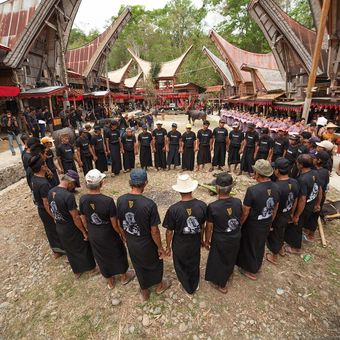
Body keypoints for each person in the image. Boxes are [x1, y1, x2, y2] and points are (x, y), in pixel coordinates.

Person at [117, 169, 170, 301]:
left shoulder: (121, 200)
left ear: (130, 183)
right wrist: (160, 247)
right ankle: (159, 285)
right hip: (146, 242)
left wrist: (124, 236)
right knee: (156, 263)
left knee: (138, 264)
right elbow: (154, 231)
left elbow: (120, 222)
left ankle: (144, 290)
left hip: (131, 241)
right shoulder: (149, 204)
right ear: (145, 183)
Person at [79, 169, 135, 289]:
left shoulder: (82, 199)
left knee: (100, 256)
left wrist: (87, 230)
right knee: (117, 252)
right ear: (101, 183)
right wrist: (121, 234)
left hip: (94, 231)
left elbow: (83, 218)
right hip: (108, 232)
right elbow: (114, 224)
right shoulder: (107, 201)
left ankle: (110, 281)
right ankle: (124, 276)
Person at [48, 170, 97, 278]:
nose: (73, 187)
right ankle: (91, 269)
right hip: (70, 226)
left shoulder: (51, 191)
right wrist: (84, 231)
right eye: (74, 184)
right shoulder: (67, 196)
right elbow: (75, 216)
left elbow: (50, 207)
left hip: (60, 225)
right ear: (70, 182)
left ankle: (77, 271)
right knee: (82, 245)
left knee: (69, 249)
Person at [163, 174, 207, 294]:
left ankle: (186, 285)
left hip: (180, 243)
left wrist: (168, 246)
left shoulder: (173, 209)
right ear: (192, 188)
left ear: (179, 191)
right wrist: (202, 239)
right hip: (195, 242)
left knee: (180, 264)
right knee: (194, 262)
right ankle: (194, 284)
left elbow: (169, 231)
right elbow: (202, 226)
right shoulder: (202, 205)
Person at [237, 159, 279, 280]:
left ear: (258, 173)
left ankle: (251, 270)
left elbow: (245, 212)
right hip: (266, 222)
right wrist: (271, 220)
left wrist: (240, 224)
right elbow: (276, 207)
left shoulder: (253, 191)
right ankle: (256, 265)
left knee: (249, 245)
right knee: (259, 245)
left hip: (253, 224)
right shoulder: (276, 187)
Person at [204, 173, 242, 293]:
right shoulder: (237, 202)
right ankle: (228, 273)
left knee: (218, 259)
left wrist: (206, 240)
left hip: (220, 238)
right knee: (231, 256)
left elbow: (209, 227)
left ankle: (221, 284)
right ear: (231, 188)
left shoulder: (213, 207)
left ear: (217, 188)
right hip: (235, 235)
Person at [285, 154, 321, 254]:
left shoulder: (302, 179)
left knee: (297, 225)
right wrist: (317, 203)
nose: (296, 164)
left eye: (297, 162)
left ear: (301, 165)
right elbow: (319, 189)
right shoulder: (315, 173)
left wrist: (296, 215)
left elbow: (302, 199)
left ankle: (296, 248)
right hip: (311, 204)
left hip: (304, 207)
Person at [30, 155, 65, 258]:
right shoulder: (43, 184)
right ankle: (60, 250)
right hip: (46, 210)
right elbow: (46, 203)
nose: (46, 165)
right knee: (54, 229)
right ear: (42, 167)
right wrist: (54, 216)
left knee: (49, 230)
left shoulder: (34, 178)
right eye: (45, 164)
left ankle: (56, 251)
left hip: (40, 209)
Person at [266, 158, 299, 264]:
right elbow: (295, 200)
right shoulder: (294, 182)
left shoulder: (276, 186)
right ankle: (281, 249)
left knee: (275, 234)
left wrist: (271, 221)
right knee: (281, 232)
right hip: (287, 213)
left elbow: (275, 207)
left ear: (277, 170)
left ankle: (274, 257)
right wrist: (292, 213)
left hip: (278, 216)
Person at [303, 151, 330, 241]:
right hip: (314, 196)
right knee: (311, 215)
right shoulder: (318, 169)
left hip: (318, 197)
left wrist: (318, 203)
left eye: (314, 158)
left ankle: (311, 234)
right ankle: (306, 230)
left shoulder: (322, 173)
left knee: (314, 215)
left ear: (319, 160)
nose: (313, 159)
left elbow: (320, 189)